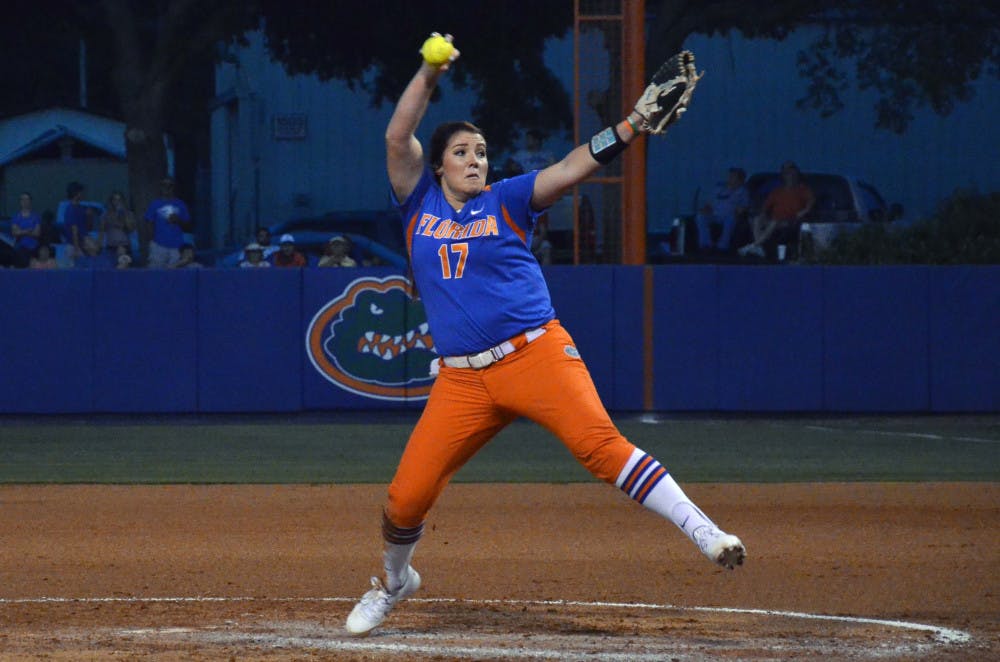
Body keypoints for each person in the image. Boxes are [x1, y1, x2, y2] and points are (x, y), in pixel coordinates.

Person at [345, 35, 745, 637]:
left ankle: (706, 532)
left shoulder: (506, 199)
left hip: (534, 353)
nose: (476, 159)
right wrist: (429, 73)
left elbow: (571, 166)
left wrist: (632, 124)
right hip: (461, 378)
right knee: (405, 500)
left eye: (481, 150)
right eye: (461, 151)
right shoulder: (416, 202)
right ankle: (395, 583)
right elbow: (396, 137)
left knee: (600, 446)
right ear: (439, 166)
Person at [738, 161, 814, 258]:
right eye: (785, 171)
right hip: (773, 219)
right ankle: (758, 247)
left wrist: (804, 211)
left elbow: (811, 202)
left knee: (774, 222)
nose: (787, 173)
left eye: (790, 169)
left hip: (791, 220)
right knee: (757, 219)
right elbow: (765, 208)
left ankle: (754, 245)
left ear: (796, 172)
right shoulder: (777, 191)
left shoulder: (802, 189)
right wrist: (763, 215)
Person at [695, 167, 749, 253]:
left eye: (733, 177)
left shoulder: (743, 192)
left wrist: (740, 211)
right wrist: (705, 209)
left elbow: (745, 207)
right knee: (700, 217)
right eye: (730, 176)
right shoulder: (720, 189)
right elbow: (710, 204)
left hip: (729, 216)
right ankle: (705, 244)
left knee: (730, 219)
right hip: (715, 215)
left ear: (740, 179)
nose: (729, 178)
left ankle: (723, 246)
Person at [144, 177, 192, 268]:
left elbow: (188, 224)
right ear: (160, 187)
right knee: (155, 274)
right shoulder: (155, 204)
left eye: (170, 185)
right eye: (164, 185)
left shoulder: (181, 204)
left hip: (177, 245)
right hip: (158, 245)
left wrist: (178, 220)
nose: (167, 188)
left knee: (174, 274)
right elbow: (148, 222)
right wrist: (152, 241)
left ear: (173, 187)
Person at [98, 191, 137, 256]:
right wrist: (99, 246)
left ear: (122, 201)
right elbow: (101, 232)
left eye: (119, 200)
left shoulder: (129, 214)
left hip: (124, 246)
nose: (117, 202)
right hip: (111, 246)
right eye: (115, 199)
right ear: (111, 201)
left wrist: (123, 214)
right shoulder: (105, 215)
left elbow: (131, 229)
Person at [10, 192, 42, 268]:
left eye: (27, 199)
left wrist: (21, 231)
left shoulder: (36, 217)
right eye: (22, 199)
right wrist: (28, 231)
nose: (24, 201)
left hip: (34, 247)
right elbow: (14, 232)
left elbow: (37, 233)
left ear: (30, 201)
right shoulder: (16, 217)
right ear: (20, 202)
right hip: (21, 247)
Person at [62, 181, 92, 256]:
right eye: (81, 192)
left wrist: (89, 216)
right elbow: (74, 230)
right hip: (74, 246)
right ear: (76, 193)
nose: (83, 194)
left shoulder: (82, 209)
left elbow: (88, 228)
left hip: (84, 244)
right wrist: (76, 249)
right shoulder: (70, 210)